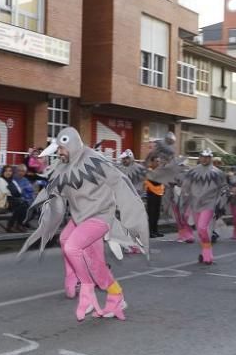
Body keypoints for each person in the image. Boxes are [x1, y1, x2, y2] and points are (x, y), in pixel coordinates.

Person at [20, 127, 148, 322]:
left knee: (76, 249)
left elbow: (119, 182)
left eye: (62, 149)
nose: (60, 153)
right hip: (80, 218)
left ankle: (91, 290)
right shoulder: (65, 165)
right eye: (58, 150)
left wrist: (132, 214)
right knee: (68, 243)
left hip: (100, 216)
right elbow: (59, 190)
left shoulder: (95, 161)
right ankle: (97, 287)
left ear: (71, 144)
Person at [181, 149, 227, 264]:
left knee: (202, 227)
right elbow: (185, 187)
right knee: (200, 231)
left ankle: (207, 251)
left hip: (209, 204)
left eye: (207, 157)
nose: (205, 159)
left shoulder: (218, 173)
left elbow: (224, 188)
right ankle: (206, 252)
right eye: (203, 156)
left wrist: (221, 204)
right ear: (200, 158)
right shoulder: (192, 172)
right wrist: (184, 199)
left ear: (211, 158)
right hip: (195, 204)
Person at [0, 165, 29, 233]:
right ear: (3, 172)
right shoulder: (0, 180)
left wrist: (13, 191)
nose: (8, 173)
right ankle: (11, 226)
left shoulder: (12, 181)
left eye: (10, 171)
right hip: (4, 200)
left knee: (24, 204)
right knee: (21, 204)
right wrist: (14, 191)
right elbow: (5, 192)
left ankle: (18, 224)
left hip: (13, 200)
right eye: (6, 171)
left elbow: (19, 191)